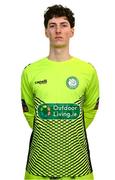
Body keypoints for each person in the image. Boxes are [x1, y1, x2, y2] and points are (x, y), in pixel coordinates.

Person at [21, 4, 99, 180]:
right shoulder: (30, 71)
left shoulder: (87, 70)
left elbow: (90, 109)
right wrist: (49, 127)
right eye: (52, 25)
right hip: (38, 169)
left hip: (79, 170)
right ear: (46, 32)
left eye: (63, 25)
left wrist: (67, 128)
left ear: (72, 31)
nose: (58, 30)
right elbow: (29, 112)